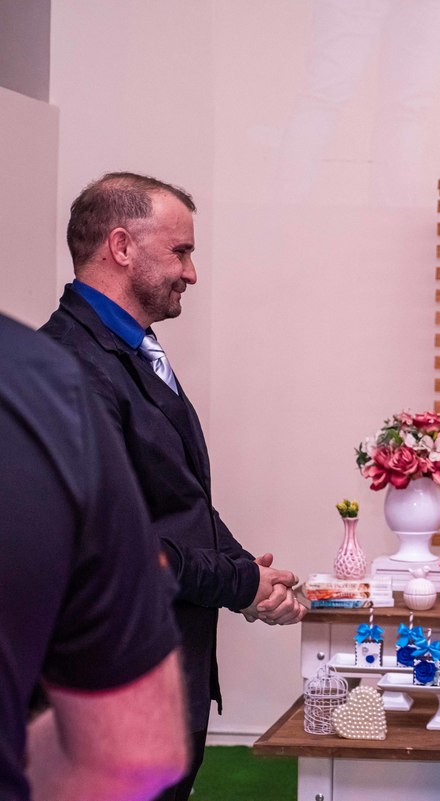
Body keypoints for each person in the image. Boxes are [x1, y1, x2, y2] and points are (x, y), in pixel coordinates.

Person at [40, 172, 306, 800]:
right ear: (121, 246)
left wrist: (247, 571)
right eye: (180, 251)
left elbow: (178, 497)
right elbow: (113, 547)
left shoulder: (133, 348)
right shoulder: (72, 364)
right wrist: (240, 582)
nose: (192, 273)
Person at [0, 313, 187, 801]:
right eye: (183, 263)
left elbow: (188, 502)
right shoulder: (46, 381)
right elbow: (136, 749)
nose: (191, 276)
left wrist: (245, 574)